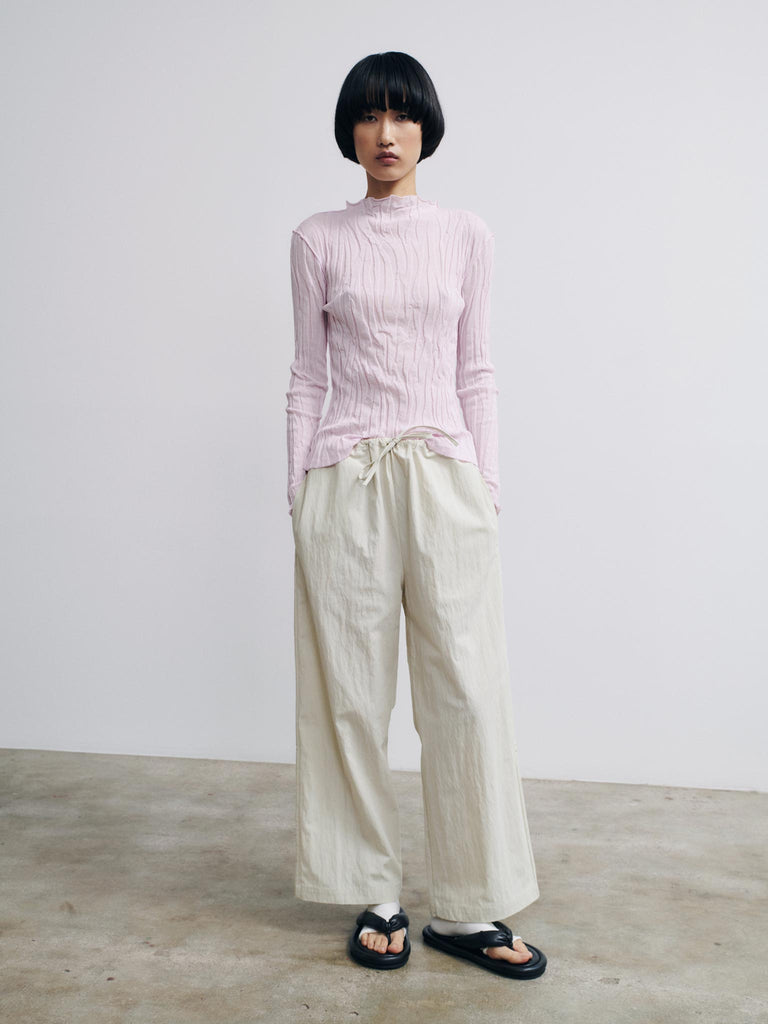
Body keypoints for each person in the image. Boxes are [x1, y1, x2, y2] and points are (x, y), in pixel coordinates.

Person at [286, 51, 547, 980]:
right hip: (345, 478)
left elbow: (477, 369)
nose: (386, 133)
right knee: (351, 697)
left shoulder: (467, 234)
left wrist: (486, 486)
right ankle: (376, 892)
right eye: (369, 116)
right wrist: (299, 494)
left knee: (467, 694)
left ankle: (470, 906)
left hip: (444, 476)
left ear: (427, 127)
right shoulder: (317, 238)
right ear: (349, 132)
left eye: (402, 115)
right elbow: (307, 375)